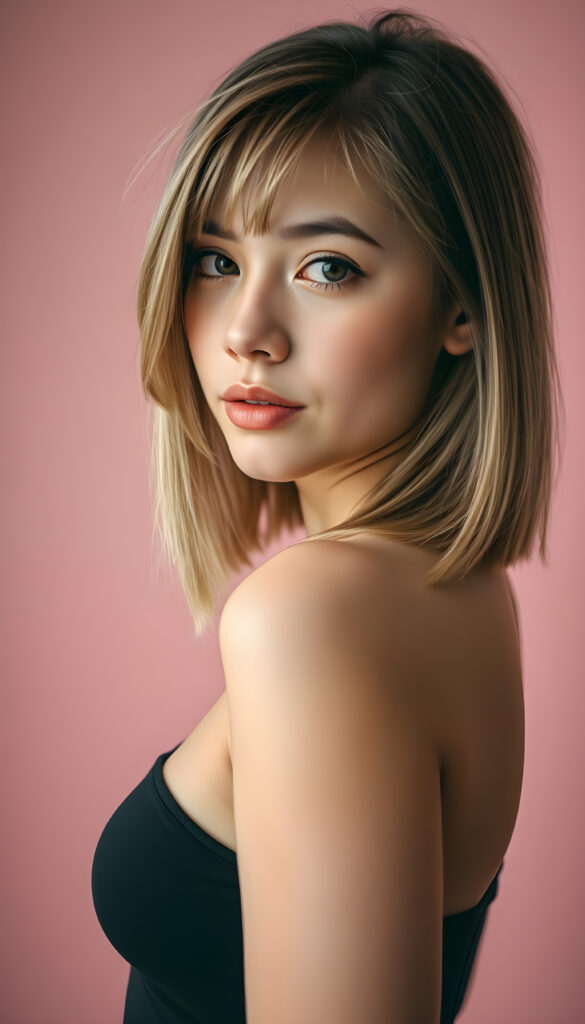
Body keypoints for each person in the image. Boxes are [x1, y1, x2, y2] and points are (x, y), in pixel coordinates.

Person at [91, 8, 560, 1023]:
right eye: (217, 260)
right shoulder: (452, 591)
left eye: (327, 268)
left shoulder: (317, 615)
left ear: (463, 307)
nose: (247, 332)